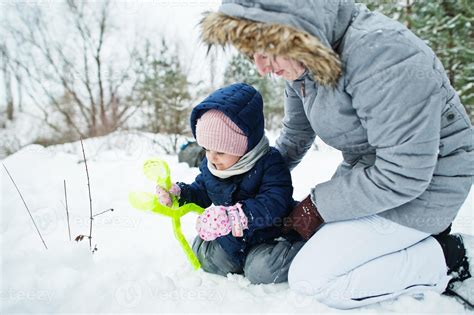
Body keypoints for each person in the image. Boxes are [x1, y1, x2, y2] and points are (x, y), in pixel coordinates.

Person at [198, 0, 474, 309]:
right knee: (311, 242)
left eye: (265, 49)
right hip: (370, 176)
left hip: (431, 181)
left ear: (295, 28)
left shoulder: (382, 55)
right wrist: (245, 178)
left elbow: (404, 172)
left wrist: (318, 205)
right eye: (251, 55)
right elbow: (296, 136)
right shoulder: (301, 66)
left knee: (312, 279)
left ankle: (451, 257)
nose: (262, 68)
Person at [156, 82, 304, 283]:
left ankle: (301, 250)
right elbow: (201, 190)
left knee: (261, 271)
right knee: (207, 258)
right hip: (234, 240)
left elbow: (275, 202)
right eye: (206, 149)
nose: (211, 157)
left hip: (271, 236)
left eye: (220, 151)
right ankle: (237, 259)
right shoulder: (213, 166)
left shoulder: (269, 163)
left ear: (245, 146)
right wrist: (180, 194)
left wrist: (236, 216)